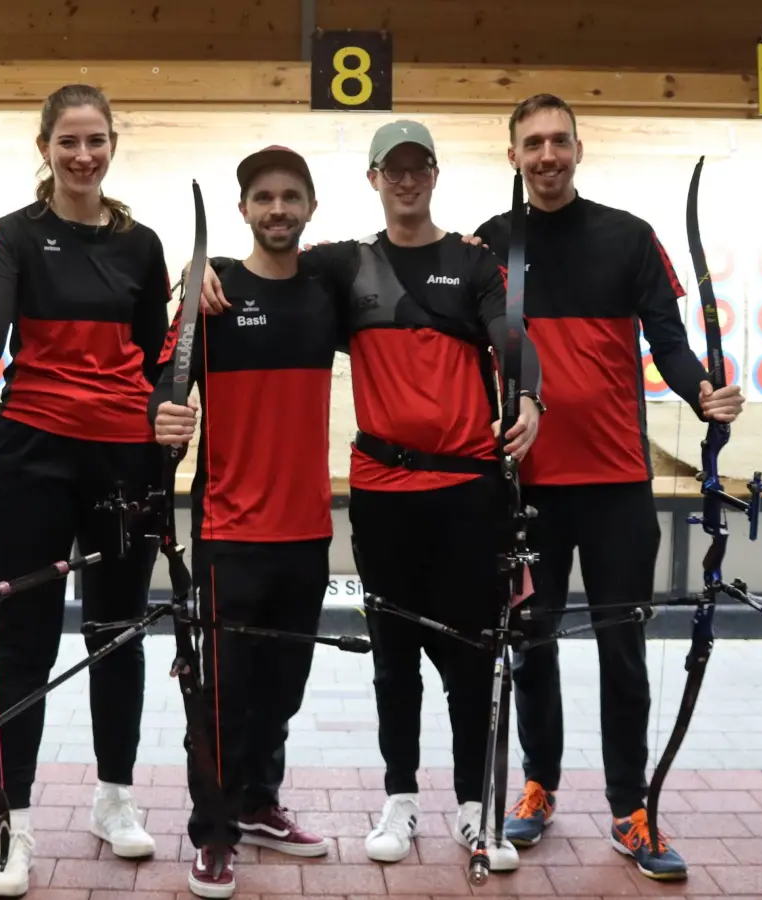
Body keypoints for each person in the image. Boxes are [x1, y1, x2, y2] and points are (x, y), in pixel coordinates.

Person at [195, 120, 543, 874]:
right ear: (374, 179)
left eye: (419, 168)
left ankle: (474, 805)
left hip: (468, 492)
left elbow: (510, 334)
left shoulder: (473, 261)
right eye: (394, 169)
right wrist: (199, 269)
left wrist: (528, 394)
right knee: (393, 659)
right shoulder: (344, 265)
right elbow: (265, 262)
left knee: (472, 658)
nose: (406, 180)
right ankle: (399, 799)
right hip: (384, 495)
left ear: (435, 174)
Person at [469, 93, 746, 882]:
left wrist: (702, 391)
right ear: (514, 155)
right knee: (531, 646)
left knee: (623, 652)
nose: (547, 155)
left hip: (618, 484)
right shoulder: (491, 243)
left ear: (578, 149)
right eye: (533, 143)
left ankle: (632, 807)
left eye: (559, 140)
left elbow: (669, 340)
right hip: (527, 487)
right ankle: (538, 786)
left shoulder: (628, 237)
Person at [0, 83, 169, 897]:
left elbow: (156, 358)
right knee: (24, 642)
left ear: (112, 145)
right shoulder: (15, 235)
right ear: (45, 148)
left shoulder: (142, 245)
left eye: (96, 140)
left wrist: (170, 410)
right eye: (69, 141)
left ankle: (115, 799)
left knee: (117, 632)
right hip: (32, 457)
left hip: (124, 460)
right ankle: (12, 822)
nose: (83, 156)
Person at [152, 146, 338, 899]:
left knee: (283, 689)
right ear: (243, 210)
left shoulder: (329, 292)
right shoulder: (211, 297)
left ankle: (259, 803)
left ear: (312, 208)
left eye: (292, 196)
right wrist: (163, 416)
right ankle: (214, 832)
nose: (278, 209)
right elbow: (162, 386)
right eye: (264, 198)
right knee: (223, 696)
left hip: (308, 530)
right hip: (229, 531)